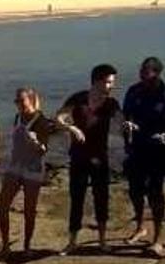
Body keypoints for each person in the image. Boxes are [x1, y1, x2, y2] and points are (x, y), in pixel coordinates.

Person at [56, 64, 122, 255]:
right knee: (76, 199)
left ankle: (102, 241)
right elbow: (59, 117)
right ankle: (72, 242)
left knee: (101, 198)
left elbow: (121, 120)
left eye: (112, 83)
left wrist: (128, 125)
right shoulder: (79, 98)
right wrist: (71, 128)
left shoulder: (111, 104)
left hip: (100, 159)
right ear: (97, 81)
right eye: (109, 82)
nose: (111, 86)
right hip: (78, 158)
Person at [122, 57, 165, 256]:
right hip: (136, 148)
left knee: (156, 192)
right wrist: (128, 127)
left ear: (157, 73)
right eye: (141, 70)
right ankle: (140, 226)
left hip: (158, 151)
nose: (142, 75)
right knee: (135, 191)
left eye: (146, 71)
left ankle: (158, 238)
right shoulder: (133, 91)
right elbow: (126, 116)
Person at [0, 87, 53, 256]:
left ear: (31, 100)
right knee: (2, 206)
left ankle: (27, 247)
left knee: (29, 210)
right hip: (15, 166)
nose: (18, 104)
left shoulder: (41, 121)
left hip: (33, 170)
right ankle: (5, 245)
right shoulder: (17, 117)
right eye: (16, 101)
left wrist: (36, 143)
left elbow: (44, 150)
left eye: (21, 101)